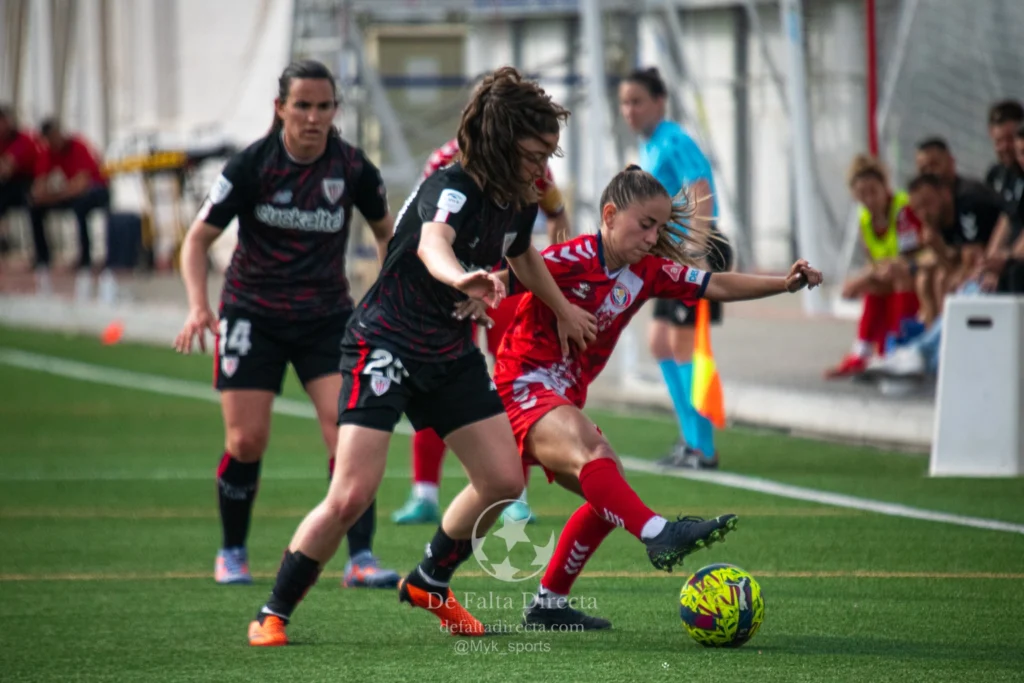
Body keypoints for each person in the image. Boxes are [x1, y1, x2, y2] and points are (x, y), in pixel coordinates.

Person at [246, 66, 597, 647]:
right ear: (504, 141)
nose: (545, 166)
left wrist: (560, 308)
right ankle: (273, 610)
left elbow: (522, 251)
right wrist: (464, 280)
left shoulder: (518, 196)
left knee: (504, 479)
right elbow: (435, 244)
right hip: (385, 343)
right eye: (537, 152)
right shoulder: (452, 186)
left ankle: (431, 579)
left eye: (549, 153)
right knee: (353, 492)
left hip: (446, 350)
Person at [489, 165, 821, 629]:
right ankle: (660, 533)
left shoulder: (646, 272)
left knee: (608, 495)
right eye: (645, 224)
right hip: (522, 383)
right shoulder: (569, 259)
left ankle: (548, 604)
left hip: (560, 394)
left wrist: (783, 285)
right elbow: (502, 279)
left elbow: (715, 285)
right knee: (596, 456)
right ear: (609, 214)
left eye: (660, 227)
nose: (652, 236)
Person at [173, 60, 399, 589]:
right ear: (280, 109)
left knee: (347, 437)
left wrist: (384, 299)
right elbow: (197, 240)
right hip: (253, 314)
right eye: (302, 105)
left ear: (334, 111)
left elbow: (389, 234)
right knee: (247, 440)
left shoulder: (354, 168)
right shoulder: (251, 166)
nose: (313, 116)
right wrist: (197, 305)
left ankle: (361, 558)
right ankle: (232, 550)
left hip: (326, 318)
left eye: (323, 106)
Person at [392, 136, 574, 526]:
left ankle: (516, 495)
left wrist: (563, 262)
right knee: (434, 377)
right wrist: (459, 279)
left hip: (501, 284)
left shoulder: (532, 165)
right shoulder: (445, 161)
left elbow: (555, 211)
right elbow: (429, 227)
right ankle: (425, 493)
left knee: (510, 380)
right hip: (452, 285)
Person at [618, 67, 733, 470]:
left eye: (637, 101)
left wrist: (696, 250)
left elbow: (700, 189)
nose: (628, 110)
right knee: (660, 344)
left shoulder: (673, 139)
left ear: (659, 102)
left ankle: (703, 447)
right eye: (624, 102)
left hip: (696, 252)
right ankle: (690, 440)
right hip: (673, 257)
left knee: (687, 346)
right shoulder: (649, 147)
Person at [826, 154, 923, 377]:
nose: (868, 198)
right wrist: (864, 279)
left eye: (873, 191)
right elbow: (875, 263)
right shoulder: (864, 221)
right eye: (862, 193)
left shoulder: (902, 210)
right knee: (873, 283)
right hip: (891, 275)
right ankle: (862, 351)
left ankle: (900, 344)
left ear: (884, 187)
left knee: (894, 274)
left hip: (916, 271)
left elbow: (908, 257)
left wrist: (865, 277)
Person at [29, 119, 110, 278]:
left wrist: (53, 196)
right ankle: (43, 257)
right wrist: (42, 195)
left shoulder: (78, 146)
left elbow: (82, 184)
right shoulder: (49, 152)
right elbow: (39, 185)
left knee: (81, 206)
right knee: (34, 208)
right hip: (70, 193)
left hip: (96, 190)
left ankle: (85, 258)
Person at [0, 105, 39, 257]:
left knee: (34, 205)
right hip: (7, 186)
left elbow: (7, 168)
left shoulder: (23, 140)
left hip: (27, 184)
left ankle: (39, 254)